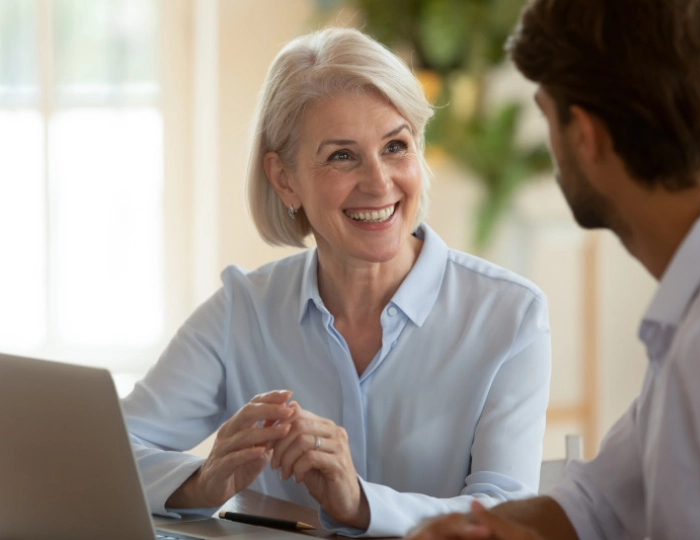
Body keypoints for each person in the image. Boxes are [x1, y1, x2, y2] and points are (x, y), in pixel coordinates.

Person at [121, 26, 551, 538]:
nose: (379, 182)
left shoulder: (510, 314)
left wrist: (360, 502)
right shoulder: (244, 310)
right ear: (284, 179)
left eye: (396, 145)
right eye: (342, 155)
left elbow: (504, 517)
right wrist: (201, 482)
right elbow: (112, 446)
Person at [405, 1, 700, 539]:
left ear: (585, 136)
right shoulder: (686, 317)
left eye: (547, 116)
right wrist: (472, 529)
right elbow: (597, 505)